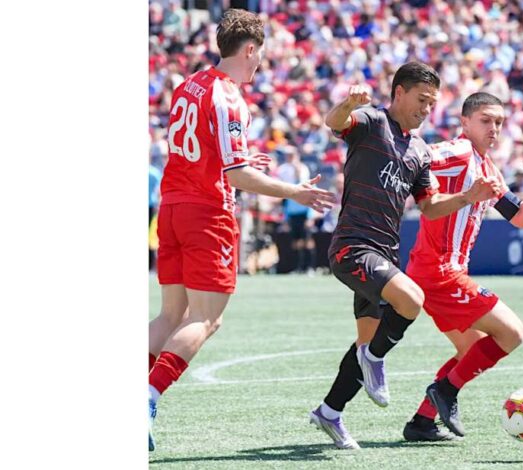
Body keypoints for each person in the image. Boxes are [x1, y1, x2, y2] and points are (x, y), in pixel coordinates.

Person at [147, 9, 336, 452]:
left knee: (170, 315)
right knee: (205, 319)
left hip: (172, 207)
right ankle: (146, 398)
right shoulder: (229, 97)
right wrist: (294, 191)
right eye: (260, 54)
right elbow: (235, 176)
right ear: (250, 49)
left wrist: (243, 162)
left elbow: (201, 151)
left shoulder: (189, 84)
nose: (260, 64)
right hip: (206, 213)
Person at [308, 62, 502, 449]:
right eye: (421, 99)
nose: (426, 109)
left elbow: (429, 206)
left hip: (385, 254)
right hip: (352, 246)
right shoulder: (371, 121)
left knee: (366, 340)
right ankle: (375, 359)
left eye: (432, 103)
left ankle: (330, 411)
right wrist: (348, 104)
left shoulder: (419, 150)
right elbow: (334, 122)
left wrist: (467, 197)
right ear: (399, 93)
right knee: (412, 299)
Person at [400, 92, 523, 441]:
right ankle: (445, 392)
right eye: (485, 120)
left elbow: (520, 217)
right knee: (512, 333)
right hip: (440, 271)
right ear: (465, 122)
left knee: (469, 351)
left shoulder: (487, 168)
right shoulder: (459, 151)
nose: (494, 128)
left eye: (499, 122)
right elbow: (418, 154)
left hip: (438, 272)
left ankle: (422, 422)